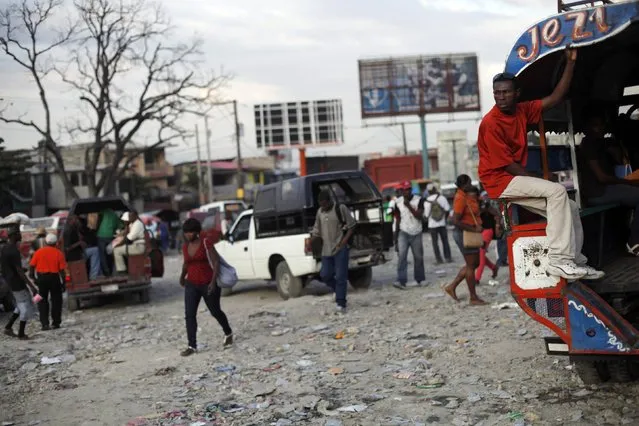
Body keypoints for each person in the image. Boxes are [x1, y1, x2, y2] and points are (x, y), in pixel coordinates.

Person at [477, 48, 603, 281]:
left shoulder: (523, 109)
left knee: (570, 207)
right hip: (499, 180)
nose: (501, 97)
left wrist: (570, 65)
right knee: (556, 192)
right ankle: (559, 260)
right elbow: (509, 165)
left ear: (517, 94)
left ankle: (576, 262)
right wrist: (539, 181)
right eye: (497, 93)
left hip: (512, 178)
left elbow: (555, 98)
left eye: (505, 92)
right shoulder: (490, 123)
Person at [578, 110, 639, 255]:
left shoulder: (601, 144)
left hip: (607, 189)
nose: (599, 129)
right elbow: (602, 177)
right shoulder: (588, 145)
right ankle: (634, 242)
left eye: (601, 125)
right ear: (586, 127)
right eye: (595, 125)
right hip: (598, 193)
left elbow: (619, 161)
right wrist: (627, 182)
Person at [179, 218, 233, 356]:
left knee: (215, 311)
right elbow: (186, 263)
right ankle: (192, 346)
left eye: (191, 232)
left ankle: (228, 332)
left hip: (207, 282)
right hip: (191, 283)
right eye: (186, 232)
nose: (188, 235)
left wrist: (213, 282)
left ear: (196, 232)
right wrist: (182, 277)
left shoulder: (205, 243)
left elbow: (215, 263)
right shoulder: (185, 247)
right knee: (189, 315)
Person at [310, 190, 356, 313]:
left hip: (340, 249)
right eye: (321, 205)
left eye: (325, 204)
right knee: (325, 275)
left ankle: (341, 303)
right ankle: (338, 290)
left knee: (341, 276)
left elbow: (352, 226)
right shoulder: (319, 212)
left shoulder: (340, 208)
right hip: (326, 251)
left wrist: (343, 242)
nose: (323, 207)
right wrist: (311, 242)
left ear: (330, 201)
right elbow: (316, 230)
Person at [444, 179, 486, 305]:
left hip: (469, 233)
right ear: (463, 184)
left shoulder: (464, 196)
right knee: (471, 266)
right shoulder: (460, 198)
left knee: (473, 264)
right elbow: (455, 221)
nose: (470, 185)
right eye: (468, 183)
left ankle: (452, 287)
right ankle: (473, 297)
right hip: (465, 234)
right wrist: (474, 228)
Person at [2, 226, 38, 339]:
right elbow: (19, 272)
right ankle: (21, 333)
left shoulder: (5, 248)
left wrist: (21, 270)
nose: (21, 235)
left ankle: (8, 327)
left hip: (10, 281)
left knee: (19, 305)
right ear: (13, 235)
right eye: (18, 233)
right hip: (17, 283)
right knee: (25, 308)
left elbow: (9, 267)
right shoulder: (14, 250)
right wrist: (32, 286)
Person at [29, 233, 66, 330]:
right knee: (56, 301)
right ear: (56, 243)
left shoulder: (38, 252)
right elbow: (62, 271)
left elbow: (31, 267)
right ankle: (56, 323)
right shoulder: (59, 253)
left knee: (41, 301)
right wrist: (64, 283)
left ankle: (44, 324)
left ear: (46, 242)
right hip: (54, 278)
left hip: (41, 279)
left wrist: (34, 278)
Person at [393, 181, 426, 289]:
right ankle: (401, 281)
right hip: (403, 232)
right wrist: (395, 239)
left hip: (416, 232)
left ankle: (420, 279)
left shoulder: (419, 200)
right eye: (404, 190)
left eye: (408, 189)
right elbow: (397, 220)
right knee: (402, 257)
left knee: (418, 257)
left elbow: (420, 216)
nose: (406, 192)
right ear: (401, 191)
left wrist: (409, 207)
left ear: (411, 190)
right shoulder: (397, 202)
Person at [63, 215, 101, 280]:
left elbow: (81, 238)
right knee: (95, 250)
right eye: (76, 219)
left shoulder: (74, 228)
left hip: (80, 251)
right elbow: (67, 248)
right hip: (75, 255)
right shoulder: (68, 231)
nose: (77, 221)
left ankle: (96, 274)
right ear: (71, 220)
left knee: (94, 250)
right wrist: (79, 243)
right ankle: (93, 276)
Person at [423, 183, 453, 264]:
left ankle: (439, 259)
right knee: (445, 241)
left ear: (428, 191)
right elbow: (447, 209)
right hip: (442, 223)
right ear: (435, 189)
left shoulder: (426, 201)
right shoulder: (442, 198)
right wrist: (444, 218)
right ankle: (448, 258)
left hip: (432, 225)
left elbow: (426, 215)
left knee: (435, 242)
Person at [475, 191, 501, 284]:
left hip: (487, 232)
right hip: (480, 232)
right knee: (480, 254)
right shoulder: (475, 206)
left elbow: (497, 214)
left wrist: (497, 225)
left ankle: (477, 279)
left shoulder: (486, 205)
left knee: (481, 255)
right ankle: (494, 268)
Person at [113, 211, 146, 275]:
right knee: (119, 248)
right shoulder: (132, 223)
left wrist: (118, 245)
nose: (129, 218)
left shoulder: (137, 224)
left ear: (136, 216)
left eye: (131, 216)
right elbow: (126, 233)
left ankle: (122, 271)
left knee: (116, 250)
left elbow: (128, 239)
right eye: (129, 216)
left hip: (138, 247)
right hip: (135, 245)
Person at [97, 208, 120, 275]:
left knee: (102, 255)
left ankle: (106, 271)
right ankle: (112, 270)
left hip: (100, 235)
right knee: (110, 253)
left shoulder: (103, 211)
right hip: (110, 236)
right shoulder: (115, 215)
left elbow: (98, 218)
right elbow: (117, 226)